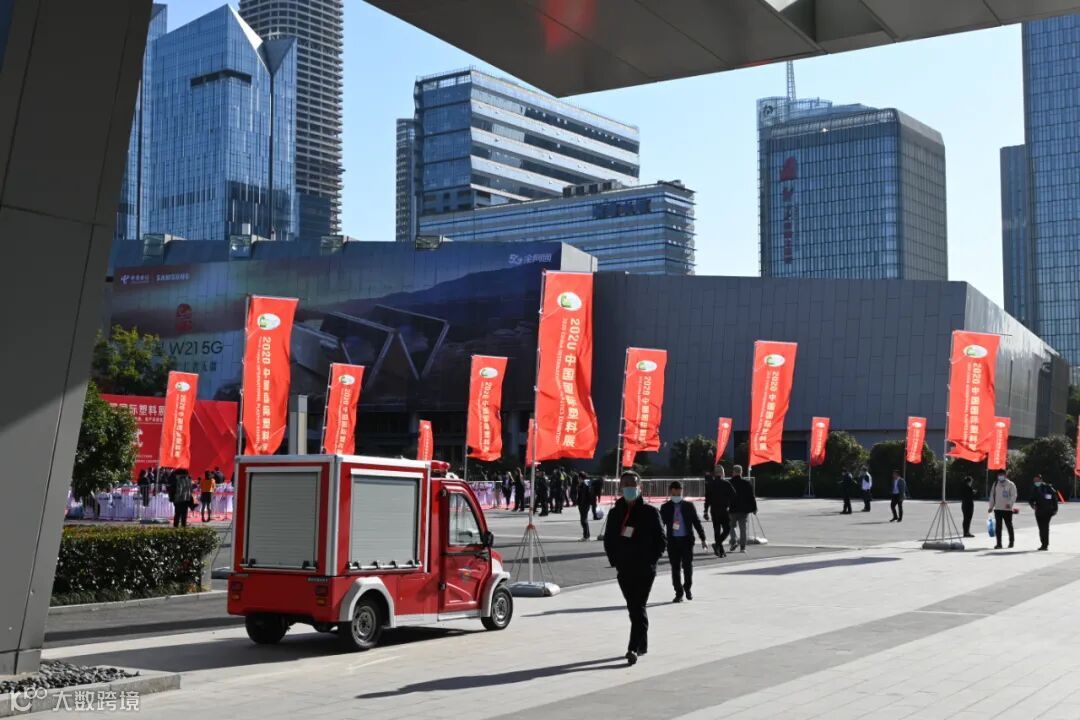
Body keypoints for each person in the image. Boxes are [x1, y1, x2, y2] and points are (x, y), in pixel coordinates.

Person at [603, 471, 665, 666]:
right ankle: (642, 645)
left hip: (645, 569)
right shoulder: (615, 512)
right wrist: (616, 561)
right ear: (620, 487)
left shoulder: (650, 512)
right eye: (626, 484)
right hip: (624, 569)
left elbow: (661, 540)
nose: (629, 487)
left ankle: (632, 648)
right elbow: (609, 539)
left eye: (633, 484)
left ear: (640, 487)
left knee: (637, 606)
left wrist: (651, 561)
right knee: (634, 608)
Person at [659, 482, 708, 602]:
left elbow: (696, 522)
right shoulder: (665, 507)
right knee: (675, 567)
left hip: (686, 540)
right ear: (671, 491)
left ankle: (687, 587)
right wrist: (658, 540)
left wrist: (703, 538)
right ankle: (678, 592)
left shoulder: (688, 506)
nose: (678, 493)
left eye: (679, 491)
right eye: (675, 491)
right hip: (673, 541)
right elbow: (660, 526)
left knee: (687, 566)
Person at [702, 468, 734, 557]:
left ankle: (720, 550)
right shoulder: (726, 483)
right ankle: (717, 545)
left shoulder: (710, 484)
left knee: (717, 530)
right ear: (722, 473)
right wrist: (729, 504)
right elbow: (733, 495)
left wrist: (705, 511)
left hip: (714, 510)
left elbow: (707, 499)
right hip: (723, 510)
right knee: (727, 529)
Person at [729, 465, 757, 553]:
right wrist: (754, 508)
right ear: (741, 472)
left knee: (731, 527)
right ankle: (742, 547)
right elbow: (751, 497)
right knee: (743, 529)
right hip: (744, 510)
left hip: (732, 509)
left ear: (733, 472)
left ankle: (734, 541)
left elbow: (725, 496)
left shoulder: (729, 483)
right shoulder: (746, 483)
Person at [988, 471, 1017, 549]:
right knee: (998, 527)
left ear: (1005, 475)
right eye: (999, 475)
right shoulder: (995, 484)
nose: (1000, 476)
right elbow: (992, 496)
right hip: (998, 509)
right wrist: (991, 506)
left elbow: (1014, 495)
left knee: (1009, 526)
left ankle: (1011, 542)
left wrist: (1010, 503)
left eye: (1002, 475)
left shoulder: (1011, 484)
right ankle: (999, 544)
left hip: (1007, 509)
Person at [1029, 474, 1059, 551]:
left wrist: (1055, 509)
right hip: (1038, 511)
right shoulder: (1034, 489)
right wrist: (1033, 505)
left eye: (1037, 480)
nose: (1036, 482)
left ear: (1041, 480)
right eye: (1034, 480)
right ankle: (1043, 543)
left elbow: (1054, 498)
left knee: (1045, 528)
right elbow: (1031, 499)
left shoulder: (1048, 487)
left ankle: (1045, 545)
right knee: (1041, 528)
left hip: (1047, 511)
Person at [576, 475, 594, 540]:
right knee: (584, 520)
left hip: (584, 505)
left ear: (581, 478)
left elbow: (588, 496)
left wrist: (588, 503)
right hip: (582, 505)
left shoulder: (585, 485)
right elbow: (580, 496)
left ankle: (586, 536)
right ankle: (587, 535)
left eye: (579, 478)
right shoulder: (581, 485)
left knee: (583, 520)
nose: (578, 479)